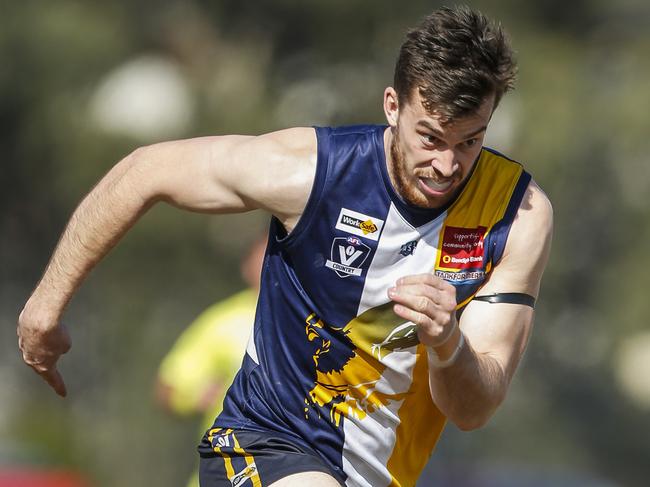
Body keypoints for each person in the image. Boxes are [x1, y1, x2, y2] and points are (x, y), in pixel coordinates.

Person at [17, 6, 553, 487]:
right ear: (392, 105)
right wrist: (46, 304)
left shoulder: (517, 215)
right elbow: (146, 170)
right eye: (430, 137)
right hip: (262, 444)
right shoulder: (312, 171)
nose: (446, 166)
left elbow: (472, 409)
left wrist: (448, 344)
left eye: (469, 142)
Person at [155, 236, 265, 487]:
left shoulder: (316, 322)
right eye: (262, 256)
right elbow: (167, 387)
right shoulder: (222, 321)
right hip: (224, 471)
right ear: (246, 267)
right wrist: (194, 397)